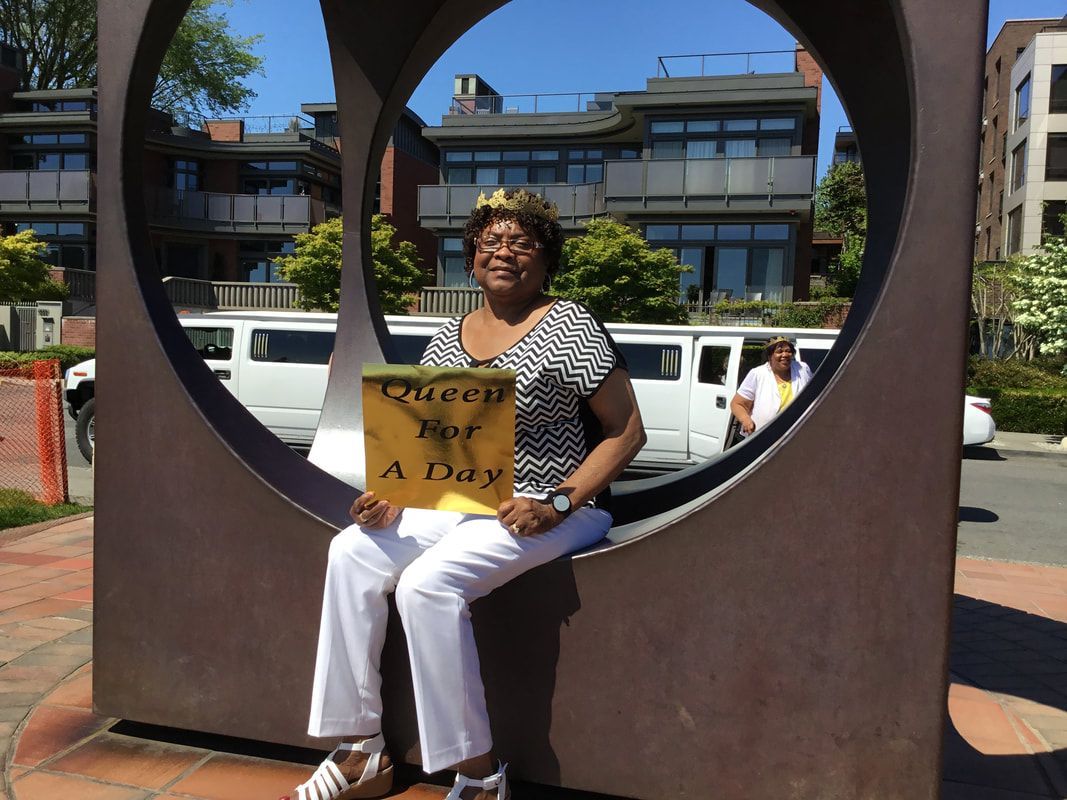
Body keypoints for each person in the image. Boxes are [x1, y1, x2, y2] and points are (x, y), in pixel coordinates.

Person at [284, 189, 646, 800]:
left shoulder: (571, 326)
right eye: (491, 241)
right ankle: (361, 750)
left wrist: (557, 503)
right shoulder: (448, 338)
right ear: (473, 256)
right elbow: (437, 444)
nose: (504, 252)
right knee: (351, 551)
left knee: (427, 585)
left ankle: (479, 774)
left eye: (522, 242)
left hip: (559, 505)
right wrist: (394, 495)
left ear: (546, 258)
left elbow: (627, 431)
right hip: (466, 501)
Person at [729, 335, 813, 436]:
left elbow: (813, 394)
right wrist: (746, 420)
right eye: (779, 351)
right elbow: (737, 404)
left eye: (788, 351)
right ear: (769, 356)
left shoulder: (802, 368)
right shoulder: (758, 374)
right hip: (763, 435)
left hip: (798, 433)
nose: (785, 354)